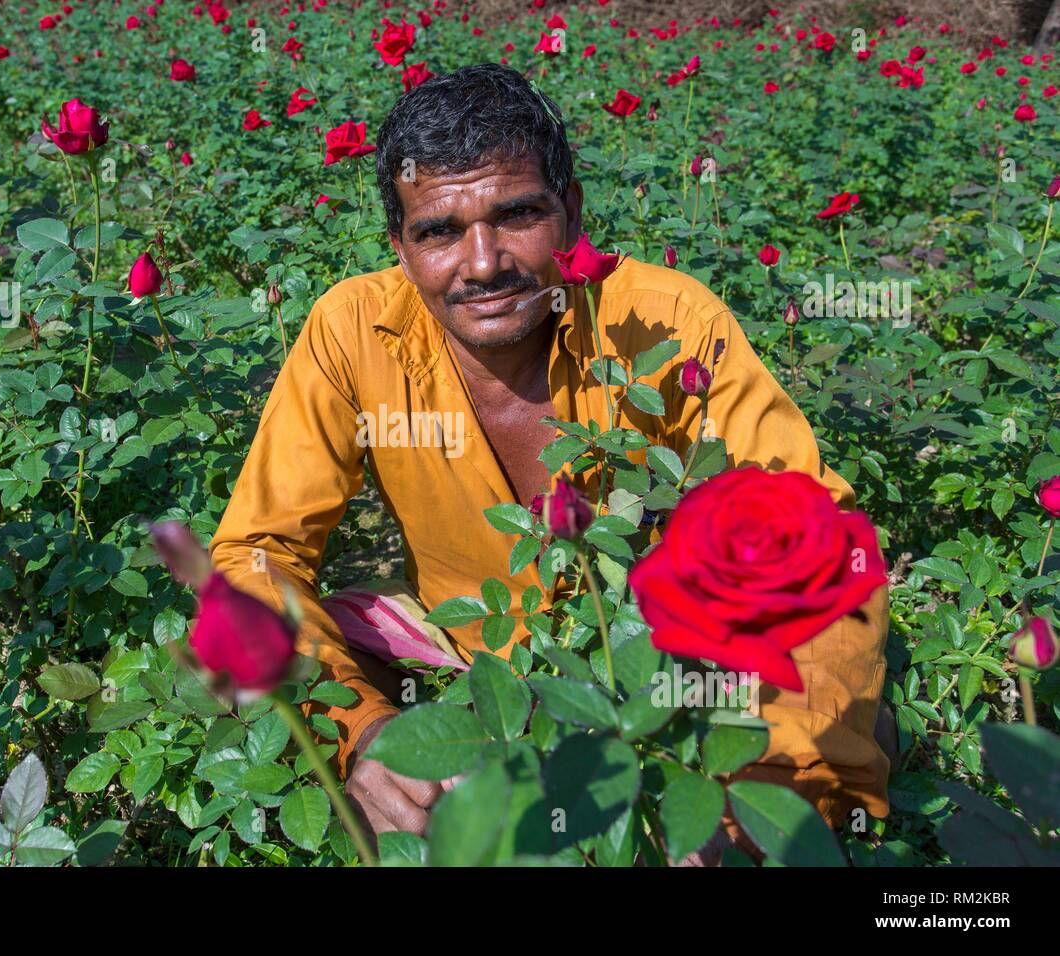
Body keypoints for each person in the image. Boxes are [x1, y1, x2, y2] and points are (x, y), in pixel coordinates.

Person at [208, 63, 893, 863]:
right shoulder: (350, 332)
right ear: (398, 246)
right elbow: (257, 553)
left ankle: (835, 753)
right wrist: (364, 734)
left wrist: (760, 789)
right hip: (473, 655)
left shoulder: (666, 325)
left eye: (517, 214)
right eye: (437, 231)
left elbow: (824, 534)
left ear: (571, 211)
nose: (484, 262)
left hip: (655, 660)